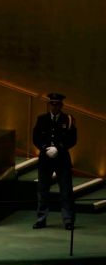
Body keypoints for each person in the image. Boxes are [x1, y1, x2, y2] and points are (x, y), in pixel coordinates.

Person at [32, 93, 77, 230]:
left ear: (61, 105)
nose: (54, 106)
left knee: (65, 191)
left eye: (57, 104)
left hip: (62, 159)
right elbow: (36, 137)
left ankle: (68, 220)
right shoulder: (42, 119)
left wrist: (58, 148)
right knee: (43, 191)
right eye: (52, 103)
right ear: (49, 104)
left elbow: (72, 139)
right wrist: (45, 148)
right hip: (46, 159)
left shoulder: (68, 119)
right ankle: (41, 219)